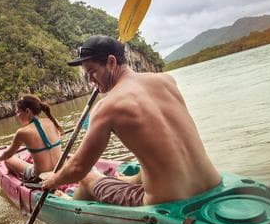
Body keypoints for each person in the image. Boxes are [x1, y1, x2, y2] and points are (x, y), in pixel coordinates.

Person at [40, 35, 221, 206]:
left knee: (87, 177)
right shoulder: (166, 81)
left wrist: (52, 180)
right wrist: (132, 180)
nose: (90, 80)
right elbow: (163, 152)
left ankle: (73, 207)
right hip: (212, 183)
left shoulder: (107, 107)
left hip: (166, 200)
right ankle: (131, 180)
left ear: (111, 62)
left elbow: (78, 168)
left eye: (93, 72)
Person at [0, 94, 65, 183]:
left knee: (7, 160)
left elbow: (8, 154)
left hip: (40, 176)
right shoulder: (53, 121)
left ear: (28, 111)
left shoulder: (22, 132)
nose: (17, 115)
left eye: (18, 112)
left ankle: (19, 182)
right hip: (61, 171)